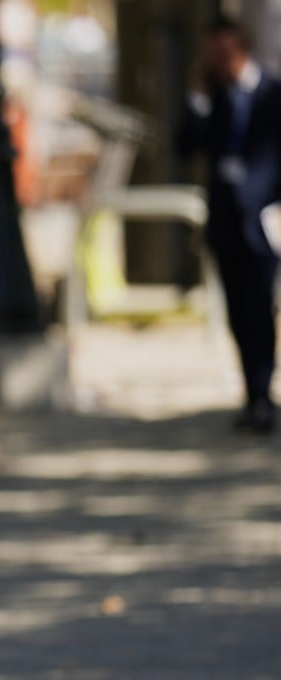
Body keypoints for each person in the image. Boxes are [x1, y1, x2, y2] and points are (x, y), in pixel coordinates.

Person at [179, 17, 281, 434]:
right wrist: (198, 98)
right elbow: (185, 145)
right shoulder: (216, 99)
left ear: (240, 49)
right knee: (239, 313)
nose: (217, 62)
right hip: (225, 226)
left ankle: (263, 394)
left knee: (260, 308)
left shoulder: (273, 95)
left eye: (222, 53)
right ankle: (253, 395)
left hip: (263, 223)